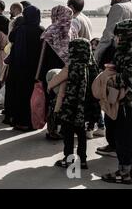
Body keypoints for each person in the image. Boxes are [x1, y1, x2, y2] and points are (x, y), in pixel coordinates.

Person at [95, 0, 132, 157]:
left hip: (116, 57)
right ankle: (128, 147)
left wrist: (96, 58)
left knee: (112, 99)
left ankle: (114, 144)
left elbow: (108, 35)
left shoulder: (118, 7)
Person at [101, 20, 132, 184]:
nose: (116, 38)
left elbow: (129, 79)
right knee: (130, 137)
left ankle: (124, 173)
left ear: (127, 36)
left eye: (119, 35)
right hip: (124, 101)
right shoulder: (123, 51)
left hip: (131, 103)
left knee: (124, 138)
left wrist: (108, 77)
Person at [54, 39, 93, 170]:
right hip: (85, 107)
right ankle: (82, 160)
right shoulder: (91, 66)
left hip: (70, 106)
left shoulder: (71, 67)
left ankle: (68, 159)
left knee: (69, 133)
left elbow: (56, 83)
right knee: (82, 134)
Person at [40, 5, 76, 139]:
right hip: (68, 71)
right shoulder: (72, 29)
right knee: (65, 99)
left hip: (51, 71)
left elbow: (43, 54)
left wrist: (38, 75)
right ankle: (63, 129)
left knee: (52, 100)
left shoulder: (51, 30)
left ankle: (52, 130)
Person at [5, 6, 44, 129]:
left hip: (18, 68)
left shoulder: (19, 29)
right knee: (31, 96)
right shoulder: (41, 30)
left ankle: (19, 121)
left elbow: (10, 38)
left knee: (19, 94)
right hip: (34, 69)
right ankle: (31, 122)